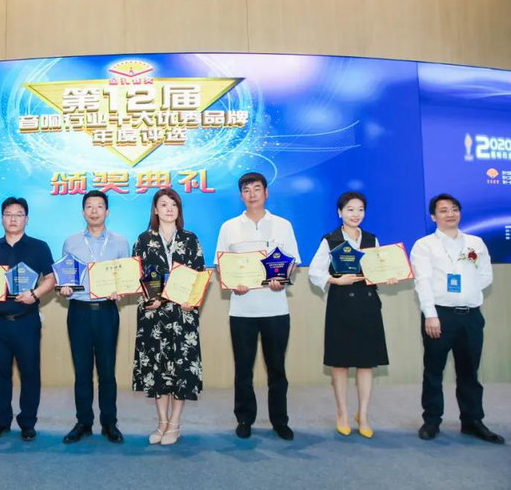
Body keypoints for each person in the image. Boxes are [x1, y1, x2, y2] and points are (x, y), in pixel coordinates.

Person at [410, 194, 504, 444]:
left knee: (469, 372)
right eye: (443, 210)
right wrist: (430, 314)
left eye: (454, 209)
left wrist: (466, 292)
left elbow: (485, 276)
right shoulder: (424, 245)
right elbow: (423, 282)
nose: (450, 214)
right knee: (434, 371)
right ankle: (431, 421)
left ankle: (472, 421)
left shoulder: (475, 242)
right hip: (440, 315)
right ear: (434, 217)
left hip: (471, 316)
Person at [215, 172, 300, 441]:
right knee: (243, 369)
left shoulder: (283, 225)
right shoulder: (229, 227)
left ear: (266, 192)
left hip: (276, 309)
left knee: (277, 369)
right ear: (241, 195)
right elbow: (222, 265)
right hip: (242, 310)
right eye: (246, 190)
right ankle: (244, 419)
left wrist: (281, 280)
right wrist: (233, 283)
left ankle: (280, 420)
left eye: (256, 188)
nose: (252, 194)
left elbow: (292, 263)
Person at [308, 192, 393, 439]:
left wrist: (388, 276)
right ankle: (342, 413)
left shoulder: (371, 239)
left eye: (360, 209)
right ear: (340, 212)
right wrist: (336, 280)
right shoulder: (331, 239)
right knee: (341, 362)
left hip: (367, 305)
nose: (356, 214)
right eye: (350, 209)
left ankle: (363, 415)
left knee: (366, 363)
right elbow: (314, 272)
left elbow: (379, 269)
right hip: (341, 304)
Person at [132, 187, 204, 446]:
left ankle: (175, 423)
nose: (169, 209)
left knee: (181, 369)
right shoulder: (143, 240)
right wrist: (146, 299)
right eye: (163, 204)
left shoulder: (190, 239)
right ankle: (161, 422)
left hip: (183, 314)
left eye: (173, 204)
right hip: (154, 317)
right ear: (155, 209)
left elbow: (199, 275)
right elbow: (136, 277)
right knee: (158, 369)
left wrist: (192, 300)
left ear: (179, 209)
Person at [0, 197, 55, 442]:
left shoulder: (39, 247)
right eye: (8, 214)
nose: (13, 219)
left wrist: (35, 294)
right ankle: (1, 421)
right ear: (2, 218)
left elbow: (51, 278)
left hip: (26, 320)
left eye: (19, 214)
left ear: (27, 219)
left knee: (30, 374)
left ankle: (27, 422)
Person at [59, 190, 129, 444]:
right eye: (89, 206)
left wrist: (122, 290)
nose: (94, 211)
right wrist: (64, 288)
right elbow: (65, 276)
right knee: (82, 371)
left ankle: (109, 423)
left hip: (107, 312)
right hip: (78, 312)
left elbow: (126, 278)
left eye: (99, 206)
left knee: (107, 371)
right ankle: (84, 422)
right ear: (83, 212)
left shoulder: (120, 242)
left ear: (107, 212)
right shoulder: (71, 241)